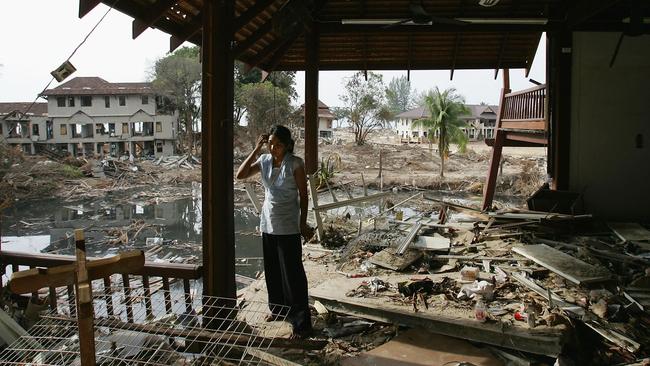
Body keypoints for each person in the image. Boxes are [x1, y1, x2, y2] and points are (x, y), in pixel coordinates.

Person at [236, 125, 313, 336]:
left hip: (288, 225)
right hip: (268, 223)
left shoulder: (295, 163)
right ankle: (278, 310)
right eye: (270, 143)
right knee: (273, 270)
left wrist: (303, 223)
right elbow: (240, 174)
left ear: (288, 145)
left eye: (278, 144)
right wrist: (256, 149)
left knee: (293, 274)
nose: (273, 148)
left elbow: (303, 196)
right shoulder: (265, 161)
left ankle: (301, 322)